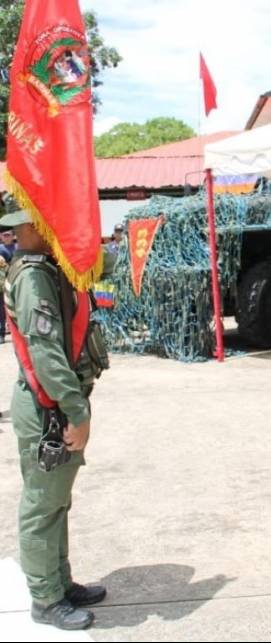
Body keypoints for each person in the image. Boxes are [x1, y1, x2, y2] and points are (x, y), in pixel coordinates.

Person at [2, 203, 108, 630]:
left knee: (57, 501)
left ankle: (59, 582)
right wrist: (76, 412)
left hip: (55, 403)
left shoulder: (46, 269)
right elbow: (47, 356)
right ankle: (46, 598)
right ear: (32, 227)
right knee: (43, 505)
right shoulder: (32, 277)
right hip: (50, 406)